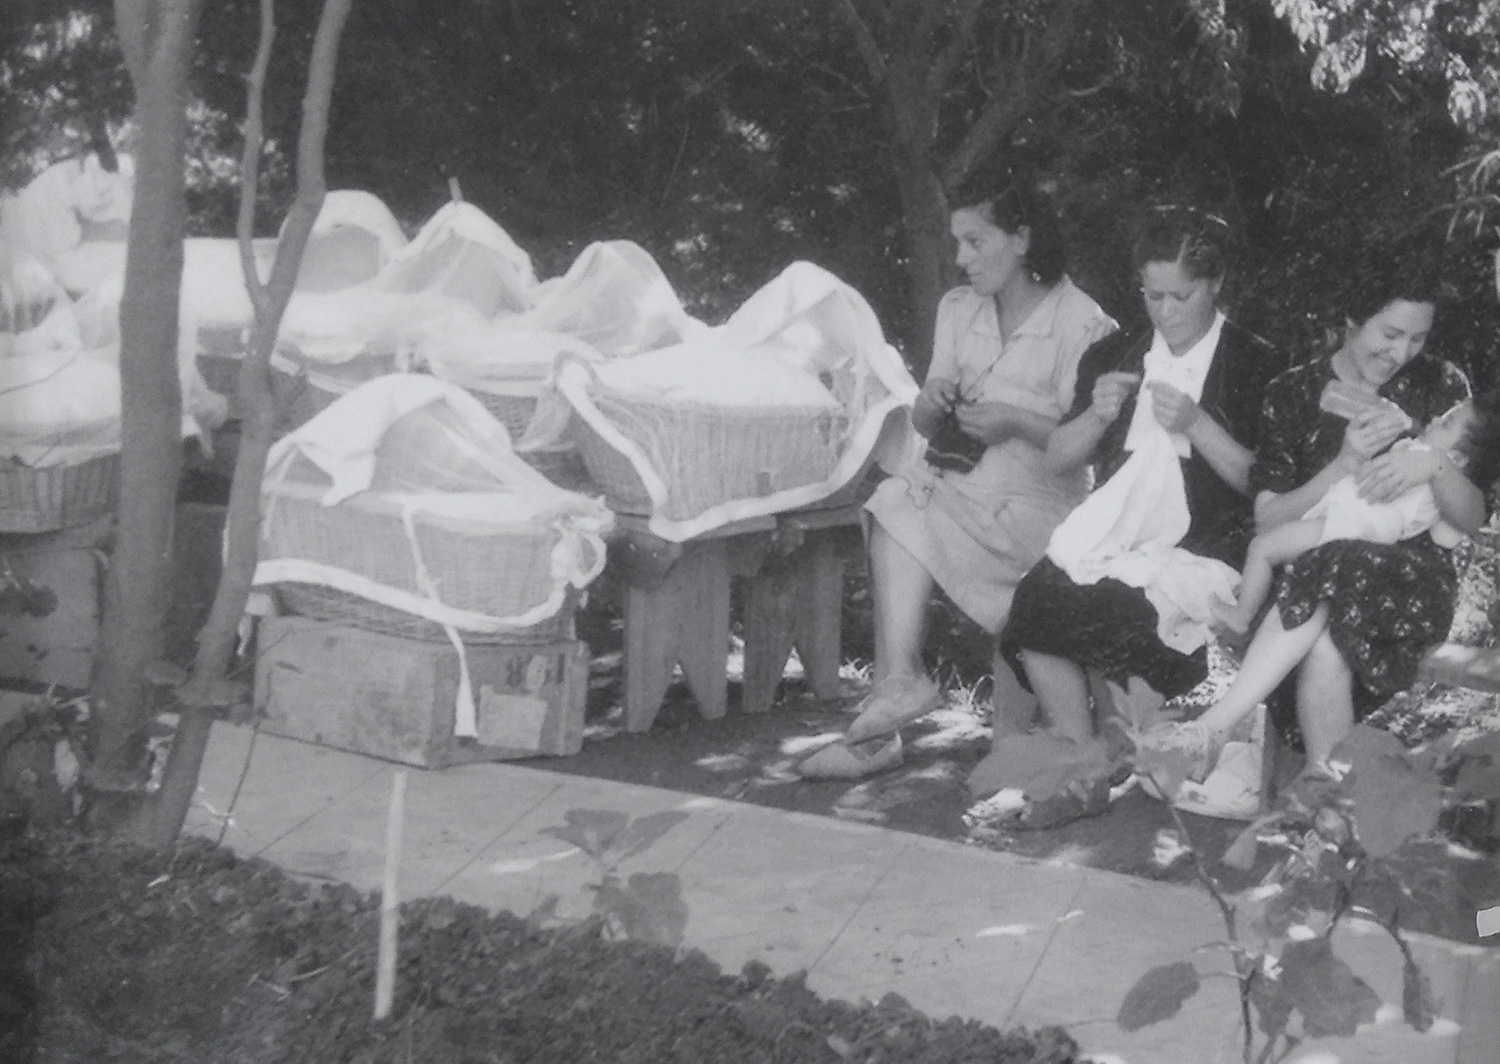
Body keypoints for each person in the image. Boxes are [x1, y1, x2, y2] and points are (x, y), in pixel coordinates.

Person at [796, 179, 1117, 778]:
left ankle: (884, 727)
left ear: (1021, 240)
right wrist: (932, 398)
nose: (962, 258)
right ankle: (898, 685)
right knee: (896, 496)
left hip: (1039, 512)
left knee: (904, 504)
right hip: (962, 490)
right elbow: (921, 417)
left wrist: (1016, 421)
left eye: (975, 241)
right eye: (957, 243)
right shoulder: (957, 309)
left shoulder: (1085, 322)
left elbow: (1082, 448)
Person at [981, 205, 1286, 814]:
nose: (1165, 311)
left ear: (1217, 284)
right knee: (1038, 596)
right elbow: (1059, 459)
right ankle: (1082, 759)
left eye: (1182, 295)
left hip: (1211, 540)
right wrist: (1096, 413)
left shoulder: (1255, 363)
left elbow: (1264, 484)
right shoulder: (1118, 352)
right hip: (1118, 537)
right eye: (1152, 295)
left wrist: (1197, 423)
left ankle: (1109, 765)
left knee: (1122, 609)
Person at [1139, 265, 1494, 781]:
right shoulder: (1294, 393)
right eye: (1390, 334)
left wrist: (1434, 467)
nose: (1402, 354)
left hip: (1406, 588)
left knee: (1334, 586)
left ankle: (1221, 736)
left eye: (1417, 338)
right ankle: (1328, 803)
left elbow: (1473, 517)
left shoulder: (1442, 388)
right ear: (1352, 321)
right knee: (1328, 637)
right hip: (1315, 577)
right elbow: (1268, 519)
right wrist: (1343, 463)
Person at [1212, 396, 1483, 636]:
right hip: (1357, 525)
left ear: (1457, 460)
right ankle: (1250, 598)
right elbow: (1446, 536)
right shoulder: (1428, 472)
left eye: (1447, 423)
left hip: (1352, 521)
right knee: (1283, 553)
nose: (1435, 419)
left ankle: (1242, 615)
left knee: (1263, 547)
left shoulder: (1425, 459)